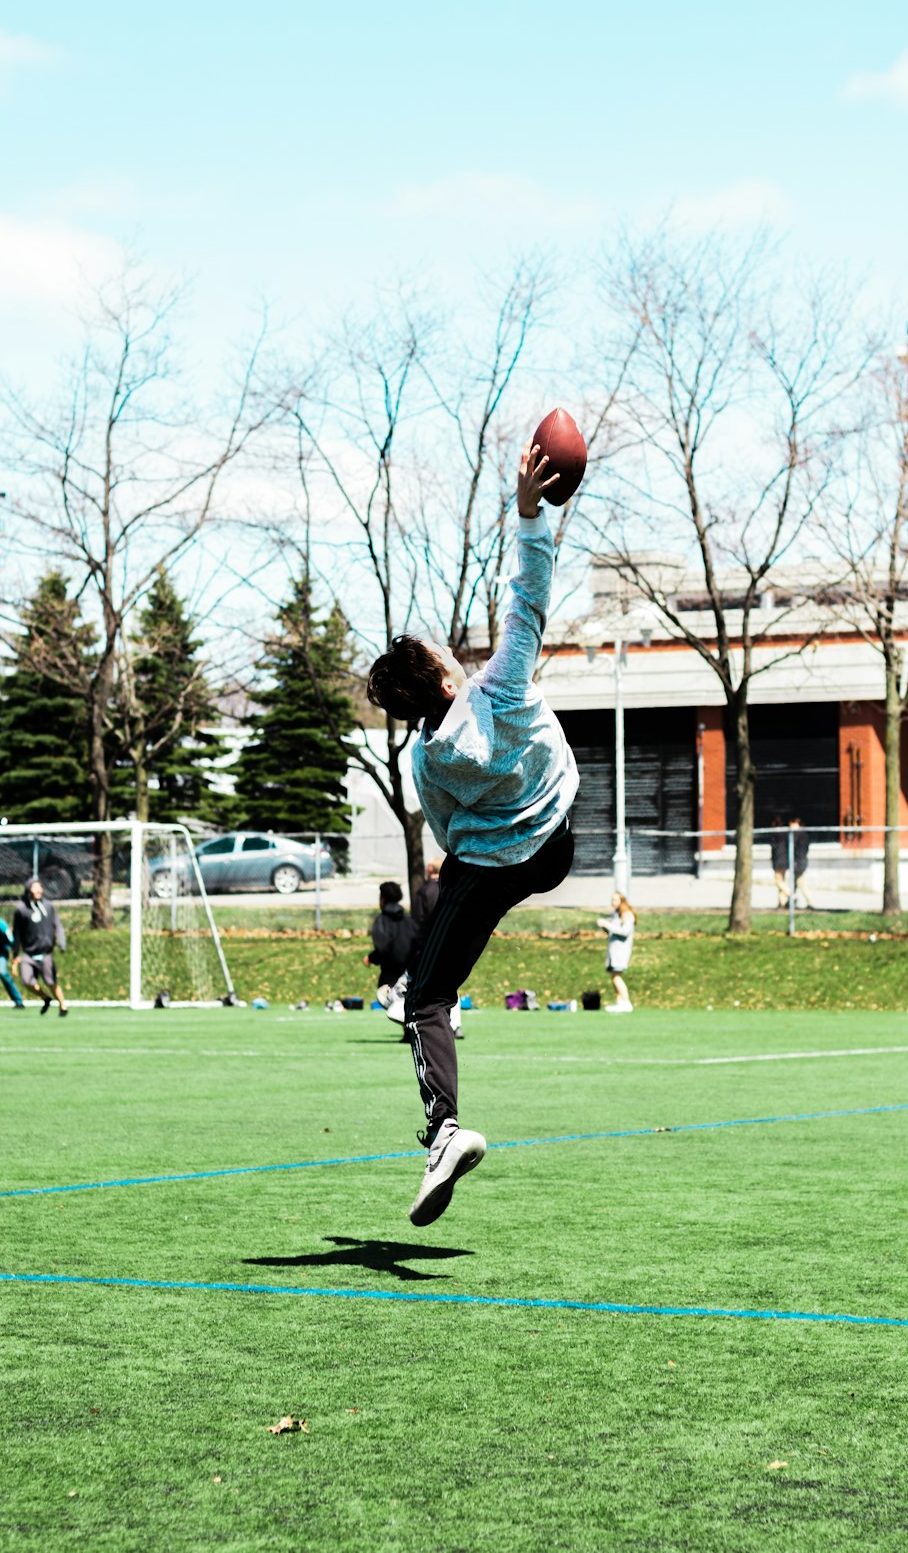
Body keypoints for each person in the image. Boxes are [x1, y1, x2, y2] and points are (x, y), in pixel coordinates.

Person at [365, 439, 578, 1226]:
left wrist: (467, 884)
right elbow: (530, 593)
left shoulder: (425, 761)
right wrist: (528, 513)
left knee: (426, 997)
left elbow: (452, 831)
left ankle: (444, 1130)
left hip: (487, 862)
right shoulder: (505, 686)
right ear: (450, 677)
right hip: (556, 843)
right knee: (472, 900)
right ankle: (443, 1136)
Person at [408, 860, 463, 1039]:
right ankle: (455, 1024)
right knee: (451, 986)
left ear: (430, 869)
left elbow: (417, 922)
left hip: (429, 946)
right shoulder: (452, 888)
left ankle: (426, 1028)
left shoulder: (425, 892)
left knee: (427, 990)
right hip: (454, 943)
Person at [12, 878, 68, 1016]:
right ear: (28, 890)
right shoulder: (21, 910)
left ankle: (63, 1006)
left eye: (39, 888)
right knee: (26, 981)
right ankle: (45, 997)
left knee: (51, 982)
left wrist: (61, 941)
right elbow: (17, 934)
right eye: (34, 888)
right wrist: (15, 954)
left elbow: (57, 925)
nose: (38, 891)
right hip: (28, 954)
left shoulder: (48, 907)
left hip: (45, 953)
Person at [365, 881, 416, 993]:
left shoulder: (382, 920)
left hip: (389, 974)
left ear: (382, 898)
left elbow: (382, 947)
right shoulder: (408, 920)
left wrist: (372, 958)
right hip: (409, 974)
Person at [596, 892, 636, 1011]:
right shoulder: (616, 915)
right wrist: (604, 927)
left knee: (616, 977)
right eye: (612, 900)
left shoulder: (627, 914)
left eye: (615, 900)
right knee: (613, 976)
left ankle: (626, 1002)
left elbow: (624, 931)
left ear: (621, 901)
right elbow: (613, 932)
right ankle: (620, 1002)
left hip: (621, 951)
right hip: (613, 950)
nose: (612, 902)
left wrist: (607, 925)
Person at [0, 911, 24, 1009]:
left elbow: (11, 939)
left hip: (1, 951)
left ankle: (18, 1001)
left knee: (2, 972)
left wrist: (15, 955)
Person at [788, 817, 815, 909]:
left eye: (792, 823)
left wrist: (796, 861)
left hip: (798, 862)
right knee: (794, 882)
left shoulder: (798, 835)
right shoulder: (802, 835)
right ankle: (791, 901)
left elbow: (798, 850)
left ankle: (810, 902)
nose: (790, 825)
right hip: (800, 861)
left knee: (800, 882)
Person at [769, 816, 791, 908]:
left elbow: (773, 847)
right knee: (782, 881)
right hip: (785, 859)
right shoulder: (786, 834)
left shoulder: (775, 835)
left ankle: (791, 895)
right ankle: (781, 902)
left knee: (778, 881)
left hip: (778, 860)